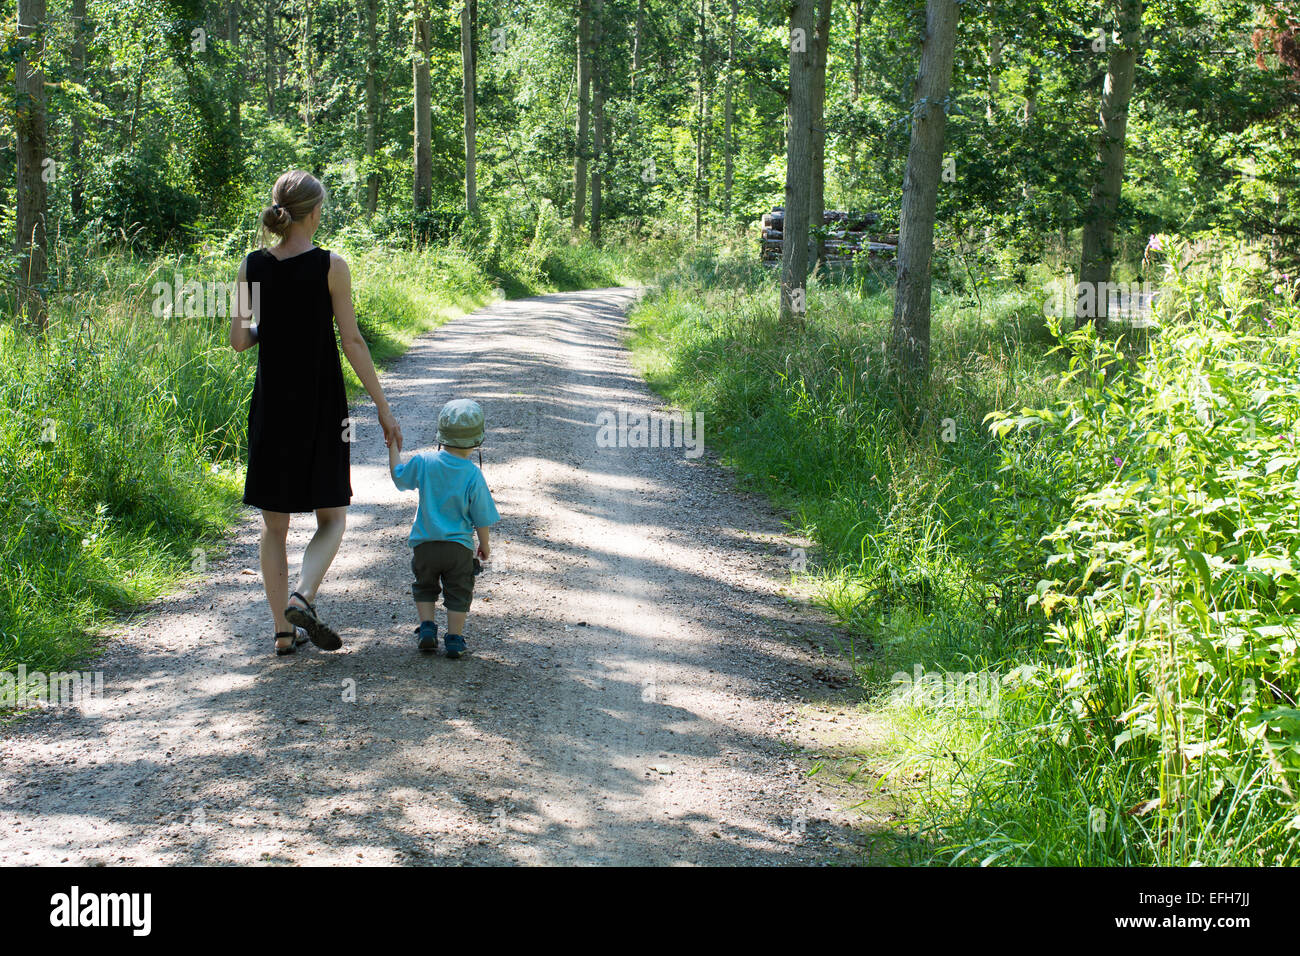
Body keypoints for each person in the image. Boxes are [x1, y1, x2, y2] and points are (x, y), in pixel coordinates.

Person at [230, 169, 402, 656]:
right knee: (332, 517)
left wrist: (272, 325)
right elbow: (351, 341)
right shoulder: (332, 265)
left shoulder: (250, 266)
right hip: (322, 407)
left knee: (274, 527)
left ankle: (283, 635)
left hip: (271, 409)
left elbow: (240, 340)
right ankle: (303, 597)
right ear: (316, 212)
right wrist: (383, 408)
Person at [388, 399, 499, 659]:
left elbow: (399, 478)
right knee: (459, 591)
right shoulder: (473, 475)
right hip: (458, 549)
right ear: (477, 441)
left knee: (425, 586)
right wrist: (484, 544)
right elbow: (481, 516)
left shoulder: (424, 462)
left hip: (425, 546)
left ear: (440, 434)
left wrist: (392, 446)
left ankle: (427, 629)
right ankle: (454, 639)